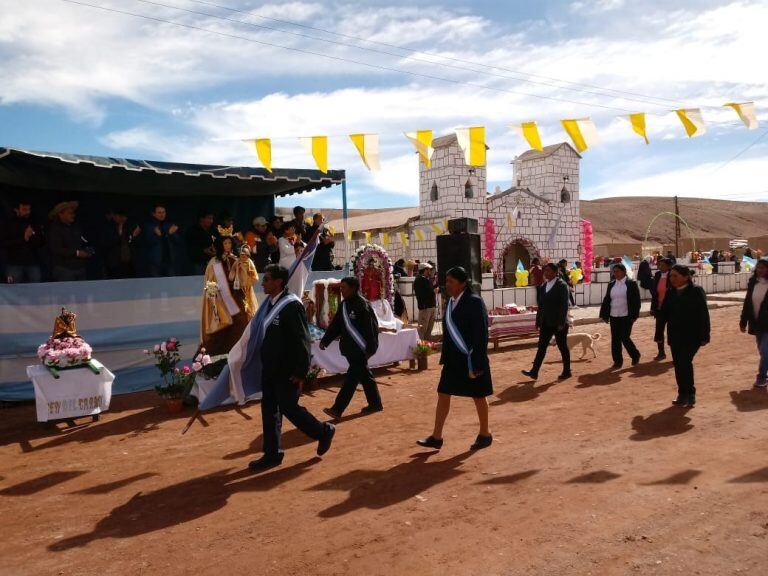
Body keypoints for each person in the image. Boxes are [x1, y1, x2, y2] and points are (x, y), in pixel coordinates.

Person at [249, 265, 335, 471]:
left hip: (286, 370)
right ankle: (272, 454)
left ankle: (323, 431)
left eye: (267, 279)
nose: (263, 283)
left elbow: (302, 340)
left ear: (279, 281)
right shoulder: (269, 304)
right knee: (269, 411)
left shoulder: (291, 305)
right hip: (269, 368)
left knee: (290, 409)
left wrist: (300, 372)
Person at [417, 266, 493, 451]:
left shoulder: (474, 302)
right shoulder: (450, 302)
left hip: (470, 359)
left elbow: (481, 334)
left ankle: (485, 433)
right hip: (452, 359)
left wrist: (477, 361)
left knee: (478, 396)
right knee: (443, 393)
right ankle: (436, 436)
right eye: (447, 280)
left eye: (451, 281)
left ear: (463, 283)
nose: (447, 284)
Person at [320, 276, 382, 418]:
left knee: (351, 379)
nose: (341, 290)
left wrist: (371, 349)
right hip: (349, 348)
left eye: (344, 288)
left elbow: (371, 328)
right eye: (340, 287)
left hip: (361, 350)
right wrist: (325, 340)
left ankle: (337, 409)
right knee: (365, 377)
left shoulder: (363, 305)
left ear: (353, 288)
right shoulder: (344, 305)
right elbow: (336, 325)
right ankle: (375, 403)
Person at [660, 265, 710, 407]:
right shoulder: (670, 293)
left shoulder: (696, 291)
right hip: (675, 335)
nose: (672, 279)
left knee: (684, 362)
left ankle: (690, 393)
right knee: (678, 364)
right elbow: (663, 315)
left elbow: (703, 313)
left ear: (686, 277)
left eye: (676, 276)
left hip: (692, 336)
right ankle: (683, 393)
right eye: (671, 276)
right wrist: (658, 334)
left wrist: (705, 335)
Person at [201, 236, 258, 356]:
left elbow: (249, 279)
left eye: (229, 243)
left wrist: (244, 267)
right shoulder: (214, 262)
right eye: (224, 243)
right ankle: (224, 352)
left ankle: (242, 350)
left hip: (237, 296)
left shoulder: (238, 258)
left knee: (241, 320)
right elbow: (209, 281)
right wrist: (212, 295)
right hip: (221, 298)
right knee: (224, 323)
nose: (227, 245)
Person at [523, 263, 571, 380]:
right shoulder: (544, 286)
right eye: (545, 271)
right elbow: (541, 305)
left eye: (549, 271)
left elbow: (564, 305)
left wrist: (561, 323)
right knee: (541, 347)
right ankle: (534, 371)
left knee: (562, 346)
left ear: (556, 272)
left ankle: (567, 371)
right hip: (546, 322)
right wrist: (538, 321)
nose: (546, 273)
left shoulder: (562, 285)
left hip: (559, 323)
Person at [599, 263, 641, 369]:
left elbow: (636, 301)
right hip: (614, 315)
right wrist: (604, 314)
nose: (615, 273)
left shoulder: (631, 284)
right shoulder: (611, 284)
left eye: (617, 271)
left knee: (624, 337)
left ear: (623, 272)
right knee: (615, 339)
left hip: (626, 315)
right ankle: (617, 361)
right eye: (614, 271)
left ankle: (635, 355)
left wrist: (635, 315)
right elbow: (607, 299)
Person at [1, 199, 44, 283]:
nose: (27, 212)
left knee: (36, 288)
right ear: (16, 210)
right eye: (24, 209)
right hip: (14, 263)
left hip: (32, 263)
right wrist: (23, 239)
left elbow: (41, 242)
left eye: (29, 209)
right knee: (13, 291)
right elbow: (4, 243)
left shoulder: (34, 222)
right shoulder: (9, 224)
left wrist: (32, 236)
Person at [740, 259, 768, 388]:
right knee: (762, 351)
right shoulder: (753, 283)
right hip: (756, 323)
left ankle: (761, 376)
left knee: (765, 350)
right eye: (758, 267)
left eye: (763, 268)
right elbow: (747, 303)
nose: (760, 270)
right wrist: (743, 321)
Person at [48, 201, 92, 282]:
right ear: (60, 214)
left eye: (73, 213)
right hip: (64, 269)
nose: (73, 215)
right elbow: (56, 249)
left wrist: (88, 250)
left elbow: (84, 241)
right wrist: (77, 253)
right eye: (69, 213)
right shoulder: (55, 229)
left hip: (80, 268)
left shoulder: (75, 227)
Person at [142, 203, 183, 277]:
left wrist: (170, 233)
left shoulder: (169, 225)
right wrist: (158, 236)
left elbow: (178, 241)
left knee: (171, 282)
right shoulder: (150, 226)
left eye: (163, 212)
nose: (162, 214)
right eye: (159, 212)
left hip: (170, 260)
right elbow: (148, 243)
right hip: (155, 261)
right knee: (156, 283)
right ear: (153, 214)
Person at [101, 207, 140, 279]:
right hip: (114, 264)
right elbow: (107, 244)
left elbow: (130, 241)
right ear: (115, 216)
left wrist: (134, 235)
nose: (124, 219)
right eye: (121, 217)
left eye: (125, 217)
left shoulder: (127, 226)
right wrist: (119, 234)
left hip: (128, 263)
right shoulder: (109, 228)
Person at [650, 258, 673, 360]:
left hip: (671, 309)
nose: (660, 267)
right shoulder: (657, 275)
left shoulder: (673, 275)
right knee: (659, 331)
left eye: (663, 265)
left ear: (669, 266)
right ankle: (661, 352)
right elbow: (655, 293)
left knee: (672, 332)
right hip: (659, 308)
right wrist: (652, 307)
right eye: (660, 265)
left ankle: (676, 353)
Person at [185, 210, 216, 275]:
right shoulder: (192, 231)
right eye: (209, 218)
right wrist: (204, 250)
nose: (211, 221)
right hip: (198, 263)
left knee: (220, 282)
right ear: (202, 219)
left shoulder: (213, 230)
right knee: (198, 282)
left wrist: (215, 250)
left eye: (212, 218)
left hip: (214, 261)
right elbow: (190, 248)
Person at [414, 262, 437, 340]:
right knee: (422, 330)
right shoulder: (419, 280)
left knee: (428, 331)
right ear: (424, 270)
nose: (430, 272)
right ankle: (421, 349)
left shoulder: (426, 280)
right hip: (425, 308)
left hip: (430, 307)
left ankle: (426, 348)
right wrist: (434, 291)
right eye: (429, 270)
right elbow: (424, 294)